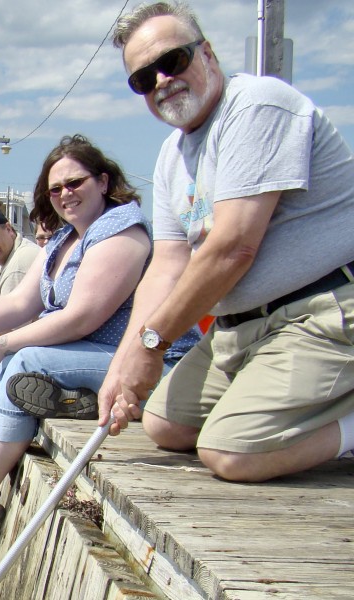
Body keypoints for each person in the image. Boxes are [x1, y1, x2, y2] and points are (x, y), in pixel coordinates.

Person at [98, 1, 354, 483]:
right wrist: (126, 357)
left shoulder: (257, 105)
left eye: (172, 61)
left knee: (231, 454)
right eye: (142, 78)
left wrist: (152, 345)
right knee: (164, 425)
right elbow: (167, 265)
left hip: (323, 311)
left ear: (208, 54)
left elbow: (233, 246)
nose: (161, 82)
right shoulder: (172, 155)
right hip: (241, 329)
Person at [0, 134, 195, 539]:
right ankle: (80, 398)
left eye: (75, 183)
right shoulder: (64, 239)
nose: (65, 194)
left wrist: (0, 344)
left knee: (23, 362)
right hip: (96, 355)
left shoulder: (121, 233)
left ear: (103, 181)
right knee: (17, 364)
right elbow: (21, 305)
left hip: (151, 362)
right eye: (55, 188)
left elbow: (81, 318)